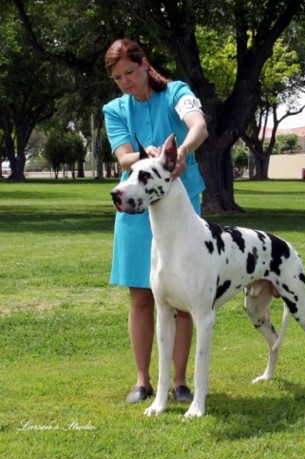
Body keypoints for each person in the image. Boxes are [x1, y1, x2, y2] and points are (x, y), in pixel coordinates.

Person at [102, 39, 208, 403]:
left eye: (130, 72)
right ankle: (143, 380)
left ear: (145, 65)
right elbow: (122, 156)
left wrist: (181, 152)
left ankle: (179, 382)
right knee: (141, 295)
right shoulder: (114, 110)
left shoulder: (177, 92)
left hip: (182, 209)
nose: (126, 82)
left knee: (186, 296)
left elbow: (198, 125)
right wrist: (140, 158)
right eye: (118, 78)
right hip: (134, 208)